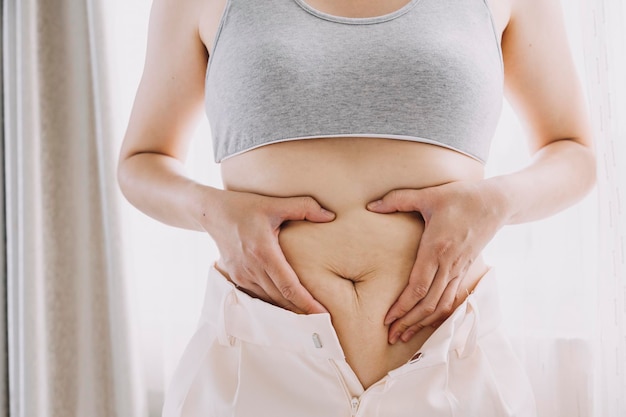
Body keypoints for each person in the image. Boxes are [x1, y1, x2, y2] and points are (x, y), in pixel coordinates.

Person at [118, 0, 596, 415]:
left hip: (447, 365)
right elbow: (142, 161)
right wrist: (212, 212)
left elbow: (573, 150)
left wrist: (495, 202)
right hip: (258, 363)